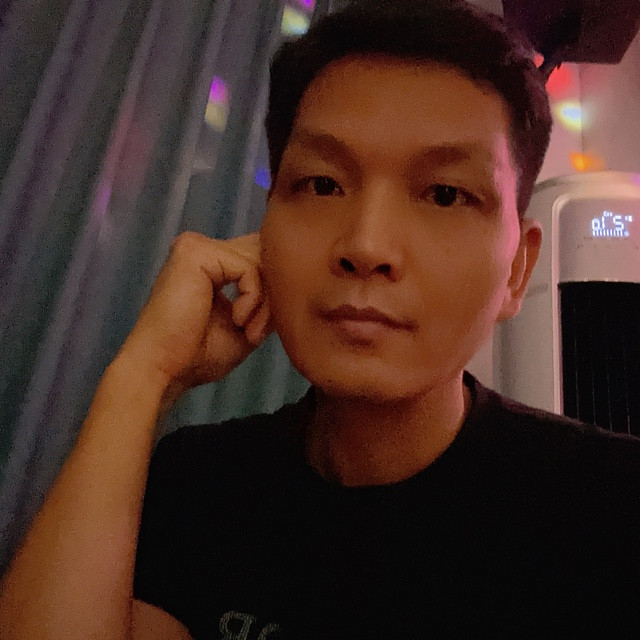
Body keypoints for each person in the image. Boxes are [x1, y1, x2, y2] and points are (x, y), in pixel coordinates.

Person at [1, 0, 639, 638]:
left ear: (517, 271)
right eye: (323, 185)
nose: (365, 245)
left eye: (445, 194)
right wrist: (143, 378)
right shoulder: (200, 485)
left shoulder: (610, 505)